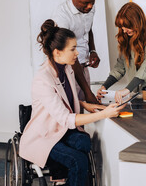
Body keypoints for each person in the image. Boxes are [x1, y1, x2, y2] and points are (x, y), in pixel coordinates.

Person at [19, 20, 125, 186]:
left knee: (84, 142)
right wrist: (104, 114)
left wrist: (85, 105)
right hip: (45, 135)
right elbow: (66, 119)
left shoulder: (67, 68)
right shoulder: (42, 79)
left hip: (61, 131)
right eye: (73, 49)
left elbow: (65, 98)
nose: (77, 53)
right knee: (79, 161)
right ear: (58, 52)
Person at [96, 2, 146, 104]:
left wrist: (126, 89)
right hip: (134, 90)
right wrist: (104, 87)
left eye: (127, 26)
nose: (124, 30)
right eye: (122, 27)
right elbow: (120, 67)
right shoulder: (126, 35)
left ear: (137, 23)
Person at [52, 0, 100, 104]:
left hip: (83, 68)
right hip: (68, 70)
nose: (90, 6)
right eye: (85, 3)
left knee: (82, 113)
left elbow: (88, 29)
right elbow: (69, 54)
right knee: (71, 113)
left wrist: (93, 51)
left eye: (93, 1)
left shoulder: (89, 8)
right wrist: (88, 92)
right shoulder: (62, 16)